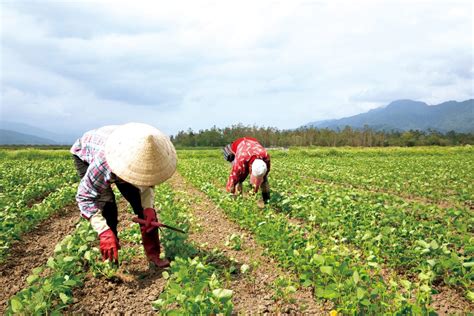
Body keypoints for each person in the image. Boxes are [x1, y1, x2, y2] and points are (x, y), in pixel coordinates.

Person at [70, 122, 176, 268]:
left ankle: (153, 255)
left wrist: (148, 208)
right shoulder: (103, 163)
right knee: (108, 207)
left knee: (145, 213)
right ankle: (111, 263)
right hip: (86, 154)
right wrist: (103, 231)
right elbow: (85, 197)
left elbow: (146, 183)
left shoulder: (145, 152)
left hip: (120, 154)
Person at [223, 137, 270, 204]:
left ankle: (267, 200)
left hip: (252, 143)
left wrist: (255, 191)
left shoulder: (266, 157)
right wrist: (229, 197)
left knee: (264, 180)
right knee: (238, 178)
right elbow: (232, 179)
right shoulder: (241, 161)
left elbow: (263, 177)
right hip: (236, 148)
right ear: (250, 168)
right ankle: (238, 200)